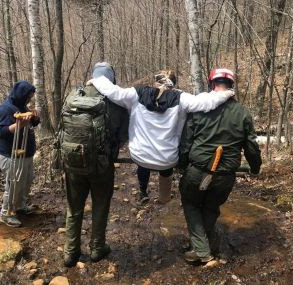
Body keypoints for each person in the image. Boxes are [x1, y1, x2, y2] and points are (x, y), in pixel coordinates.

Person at [88, 64, 234, 205]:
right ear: (174, 84)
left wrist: (96, 80)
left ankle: (143, 193)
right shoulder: (181, 98)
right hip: (167, 159)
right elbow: (206, 102)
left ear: (155, 81)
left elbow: (113, 91)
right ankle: (164, 197)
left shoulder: (136, 93)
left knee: (143, 161)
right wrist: (227, 93)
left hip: (140, 155)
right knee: (166, 165)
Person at [178, 68, 262, 264]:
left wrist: (182, 165)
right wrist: (255, 167)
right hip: (225, 176)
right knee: (210, 207)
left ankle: (201, 250)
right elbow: (251, 146)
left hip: (197, 171)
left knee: (191, 204)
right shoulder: (242, 113)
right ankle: (203, 245)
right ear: (231, 86)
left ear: (211, 84)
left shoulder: (200, 107)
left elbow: (186, 142)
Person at [62, 63, 129, 267]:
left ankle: (70, 252)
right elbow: (123, 137)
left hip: (73, 162)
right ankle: (97, 248)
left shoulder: (74, 95)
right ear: (111, 79)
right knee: (100, 205)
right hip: (102, 165)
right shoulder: (115, 102)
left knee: (74, 207)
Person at [0, 80, 40, 227]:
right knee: (13, 185)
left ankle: (20, 207)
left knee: (26, 182)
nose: (29, 100)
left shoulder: (22, 107)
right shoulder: (4, 109)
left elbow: (31, 125)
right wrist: (19, 124)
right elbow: (1, 132)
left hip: (26, 153)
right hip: (11, 154)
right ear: (21, 95)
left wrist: (35, 118)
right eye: (28, 96)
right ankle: (6, 214)